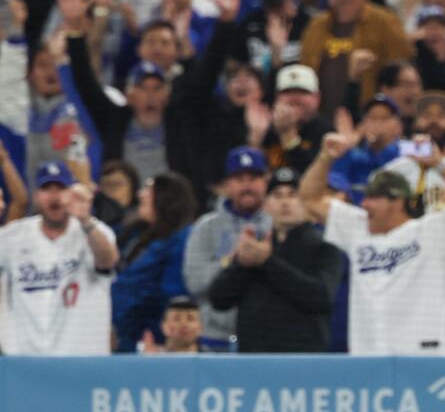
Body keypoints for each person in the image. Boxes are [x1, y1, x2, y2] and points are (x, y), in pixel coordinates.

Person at [209, 167, 343, 353]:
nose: (285, 202)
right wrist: (241, 265)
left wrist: (268, 262)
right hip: (254, 359)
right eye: (277, 195)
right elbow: (218, 299)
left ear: (306, 202)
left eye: (293, 195)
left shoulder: (325, 245)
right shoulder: (256, 245)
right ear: (266, 204)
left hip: (303, 360)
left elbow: (321, 296)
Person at [0, 162, 118, 355]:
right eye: (46, 189)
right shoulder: (14, 235)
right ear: (36, 196)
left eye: (61, 189)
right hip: (24, 364)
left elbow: (108, 261)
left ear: (72, 193)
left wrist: (86, 221)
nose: (54, 197)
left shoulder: (94, 231)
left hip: (82, 361)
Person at [182, 146, 273, 345]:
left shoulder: (277, 225)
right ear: (228, 184)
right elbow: (195, 283)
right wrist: (230, 260)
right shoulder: (205, 227)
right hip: (214, 338)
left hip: (267, 337)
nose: (247, 186)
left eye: (254, 179)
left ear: (266, 182)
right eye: (240, 180)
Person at [110, 172, 197, 352]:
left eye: (149, 190)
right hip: (127, 337)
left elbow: (174, 294)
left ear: (166, 199)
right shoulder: (137, 236)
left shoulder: (182, 240)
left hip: (155, 342)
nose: (141, 194)